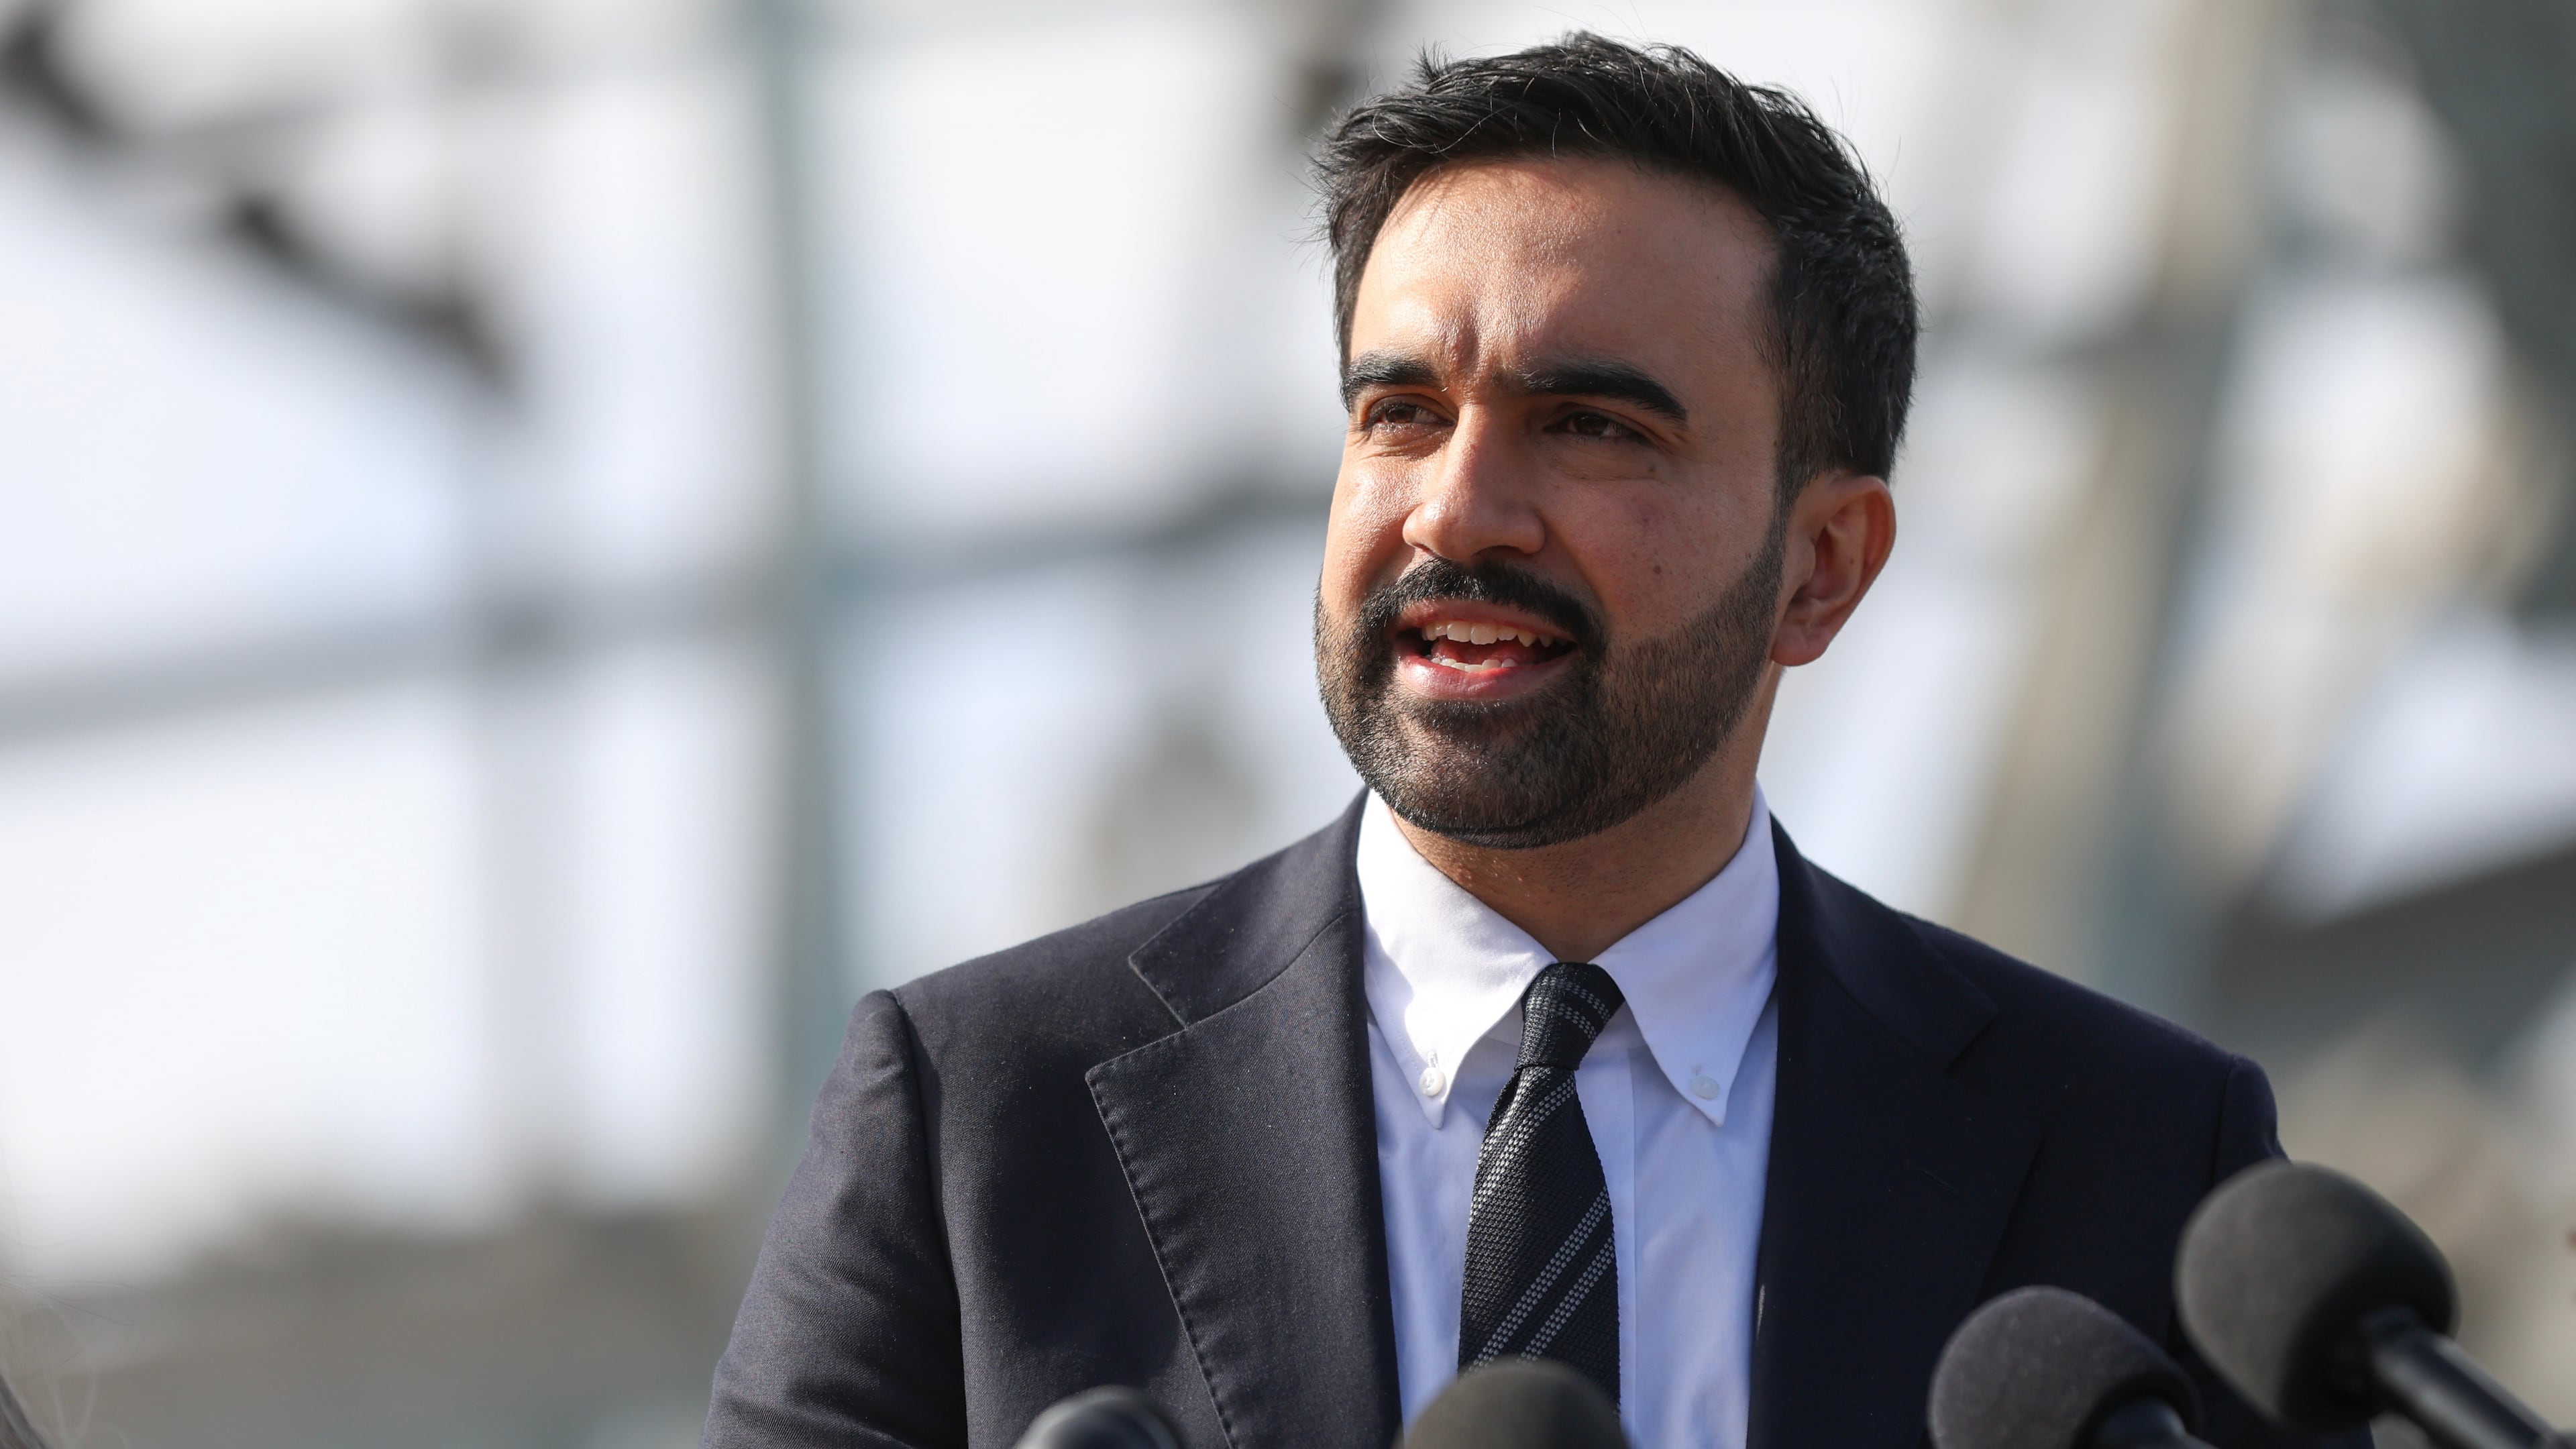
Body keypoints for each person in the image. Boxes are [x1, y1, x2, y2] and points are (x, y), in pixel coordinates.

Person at [702, 34, 2313, 1449]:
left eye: (1592, 426)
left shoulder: (2144, 1160)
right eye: (1399, 413)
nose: (1456, 509)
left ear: (1821, 566)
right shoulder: (980, 1123)